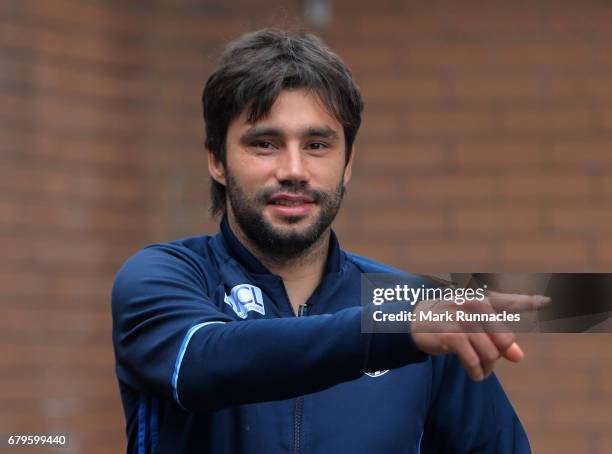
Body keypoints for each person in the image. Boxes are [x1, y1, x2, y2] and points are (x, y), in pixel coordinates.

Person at [112, 28, 545, 454]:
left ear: (348, 162)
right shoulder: (163, 277)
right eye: (265, 144)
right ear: (217, 160)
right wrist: (397, 327)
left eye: (317, 145)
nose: (294, 169)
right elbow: (204, 362)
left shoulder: (423, 310)